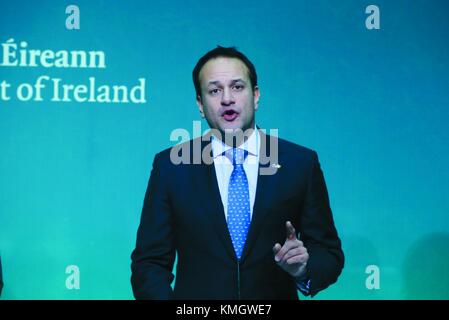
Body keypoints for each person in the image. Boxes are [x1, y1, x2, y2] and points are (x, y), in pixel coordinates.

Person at [131, 46, 344, 299]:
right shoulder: (171, 167)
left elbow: (328, 252)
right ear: (200, 104)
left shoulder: (299, 163)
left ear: (256, 95)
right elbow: (149, 264)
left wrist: (303, 269)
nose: (227, 99)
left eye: (237, 87)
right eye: (214, 90)